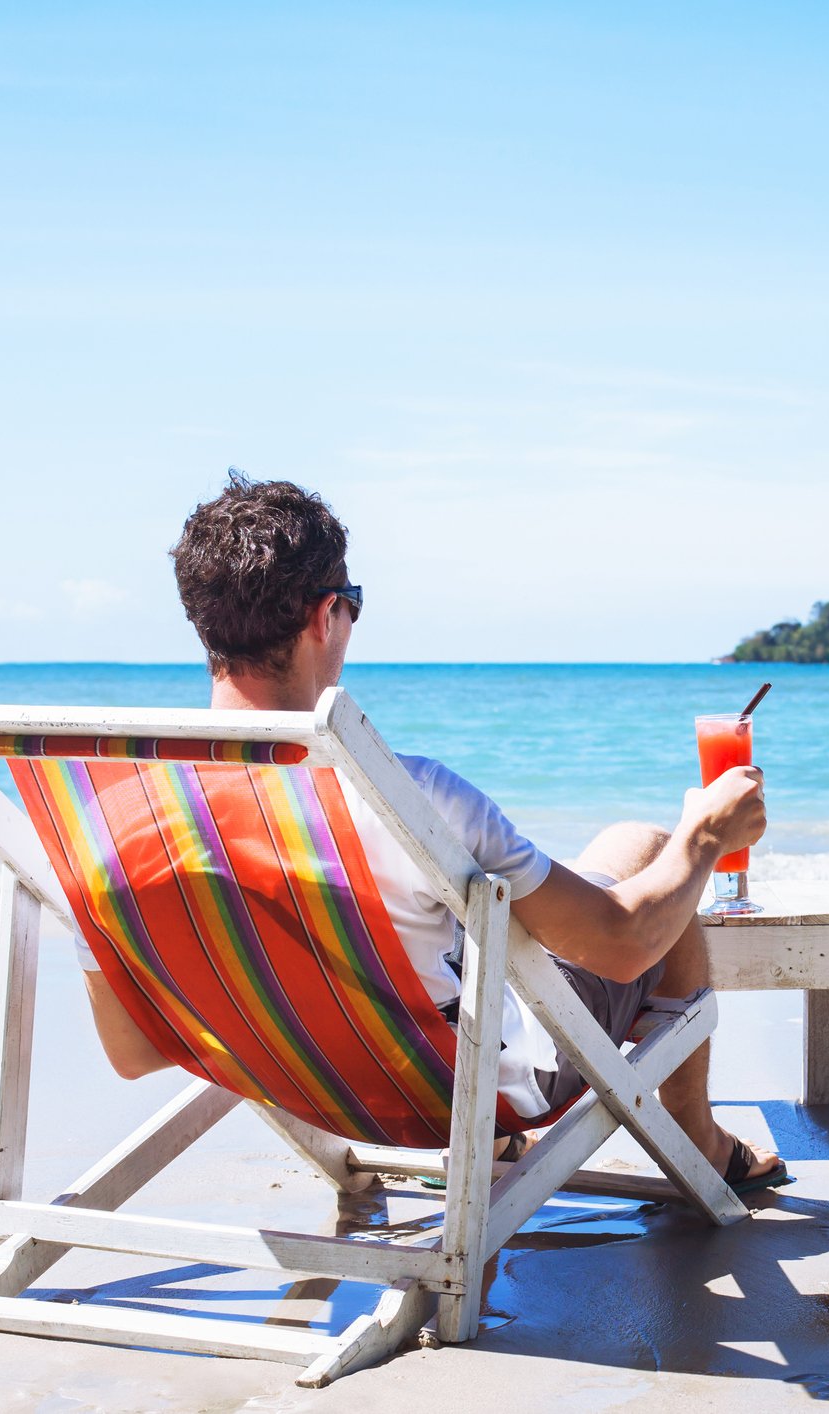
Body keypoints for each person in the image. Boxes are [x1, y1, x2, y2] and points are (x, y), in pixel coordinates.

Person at [76, 472, 786, 1191]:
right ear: (326, 615)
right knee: (647, 847)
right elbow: (622, 946)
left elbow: (131, 1052)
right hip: (457, 1096)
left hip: (285, 1074)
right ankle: (693, 1135)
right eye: (351, 606)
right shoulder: (404, 797)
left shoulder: (111, 819)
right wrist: (701, 835)